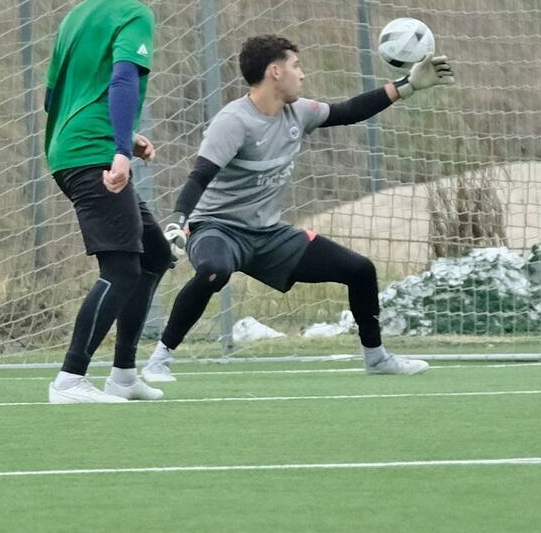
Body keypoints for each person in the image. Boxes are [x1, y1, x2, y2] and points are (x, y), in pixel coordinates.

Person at [141, 35, 453, 382]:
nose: (302, 75)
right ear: (275, 72)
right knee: (214, 270)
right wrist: (178, 223)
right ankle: (159, 359)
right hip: (218, 228)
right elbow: (199, 177)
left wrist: (408, 85)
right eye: (296, 66)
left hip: (269, 235)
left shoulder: (299, 112)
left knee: (360, 269)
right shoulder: (233, 122)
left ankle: (376, 358)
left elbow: (349, 111)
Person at [44, 0, 172, 404]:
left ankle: (123, 374)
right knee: (119, 268)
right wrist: (119, 148)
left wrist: (123, 138)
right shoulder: (135, 13)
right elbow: (122, 78)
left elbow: (53, 94)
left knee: (154, 255)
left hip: (70, 146)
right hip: (94, 153)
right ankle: (70, 379)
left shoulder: (75, 15)